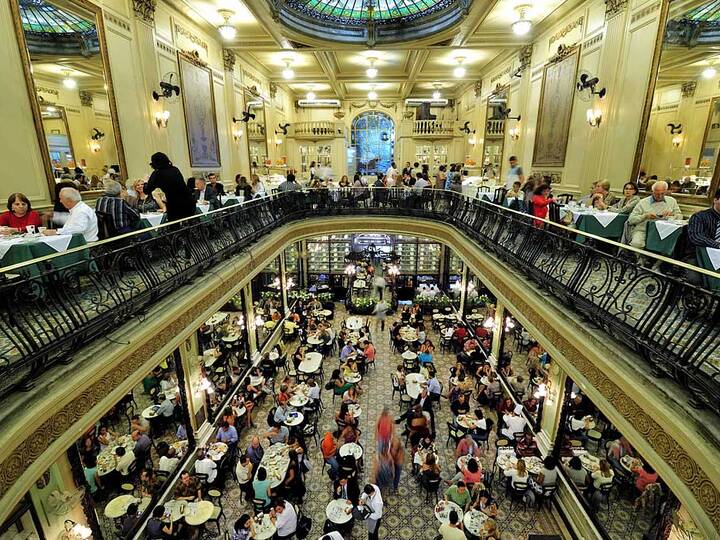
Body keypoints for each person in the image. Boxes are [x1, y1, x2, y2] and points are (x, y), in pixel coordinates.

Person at [627, 181, 682, 249]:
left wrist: (673, 215)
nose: (660, 196)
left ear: (666, 191)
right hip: (643, 230)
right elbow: (631, 220)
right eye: (657, 194)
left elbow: (680, 216)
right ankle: (639, 258)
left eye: (662, 194)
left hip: (664, 231)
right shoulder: (643, 202)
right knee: (636, 243)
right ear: (652, 191)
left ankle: (660, 259)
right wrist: (645, 216)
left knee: (672, 245)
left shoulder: (672, 201)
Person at [146, 152, 195, 221]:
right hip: (188, 201)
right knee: (190, 225)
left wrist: (146, 181)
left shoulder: (157, 174)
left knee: (175, 228)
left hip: (175, 205)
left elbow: (147, 190)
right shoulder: (175, 169)